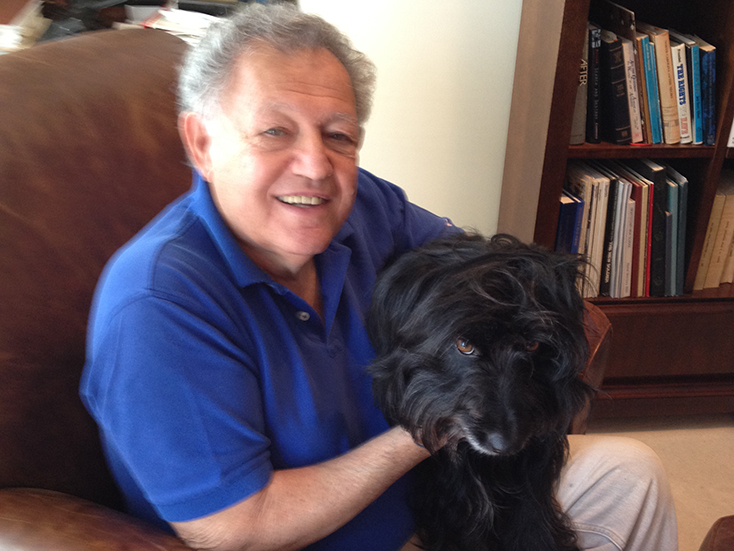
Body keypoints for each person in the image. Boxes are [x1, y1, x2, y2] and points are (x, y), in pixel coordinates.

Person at [80, 4, 679, 551]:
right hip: (321, 538)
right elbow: (236, 528)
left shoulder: (362, 206)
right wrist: (433, 427)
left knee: (631, 474)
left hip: (433, 504)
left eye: (338, 135)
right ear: (202, 142)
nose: (315, 165)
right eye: (274, 131)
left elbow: (478, 267)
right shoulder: (157, 302)